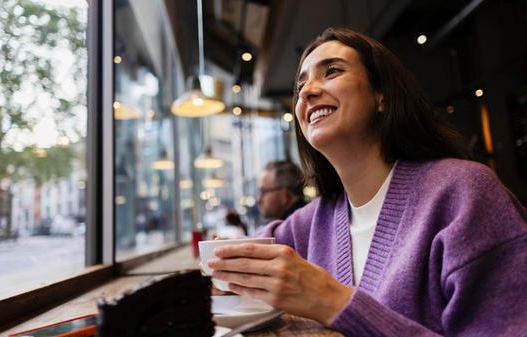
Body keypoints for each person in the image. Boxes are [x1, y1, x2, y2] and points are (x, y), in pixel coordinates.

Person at [208, 27, 527, 336]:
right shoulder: (315, 221)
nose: (307, 91)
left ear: (381, 95)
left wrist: (333, 301)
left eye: (331, 71)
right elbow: (238, 261)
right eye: (300, 86)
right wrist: (222, 276)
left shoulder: (464, 193)